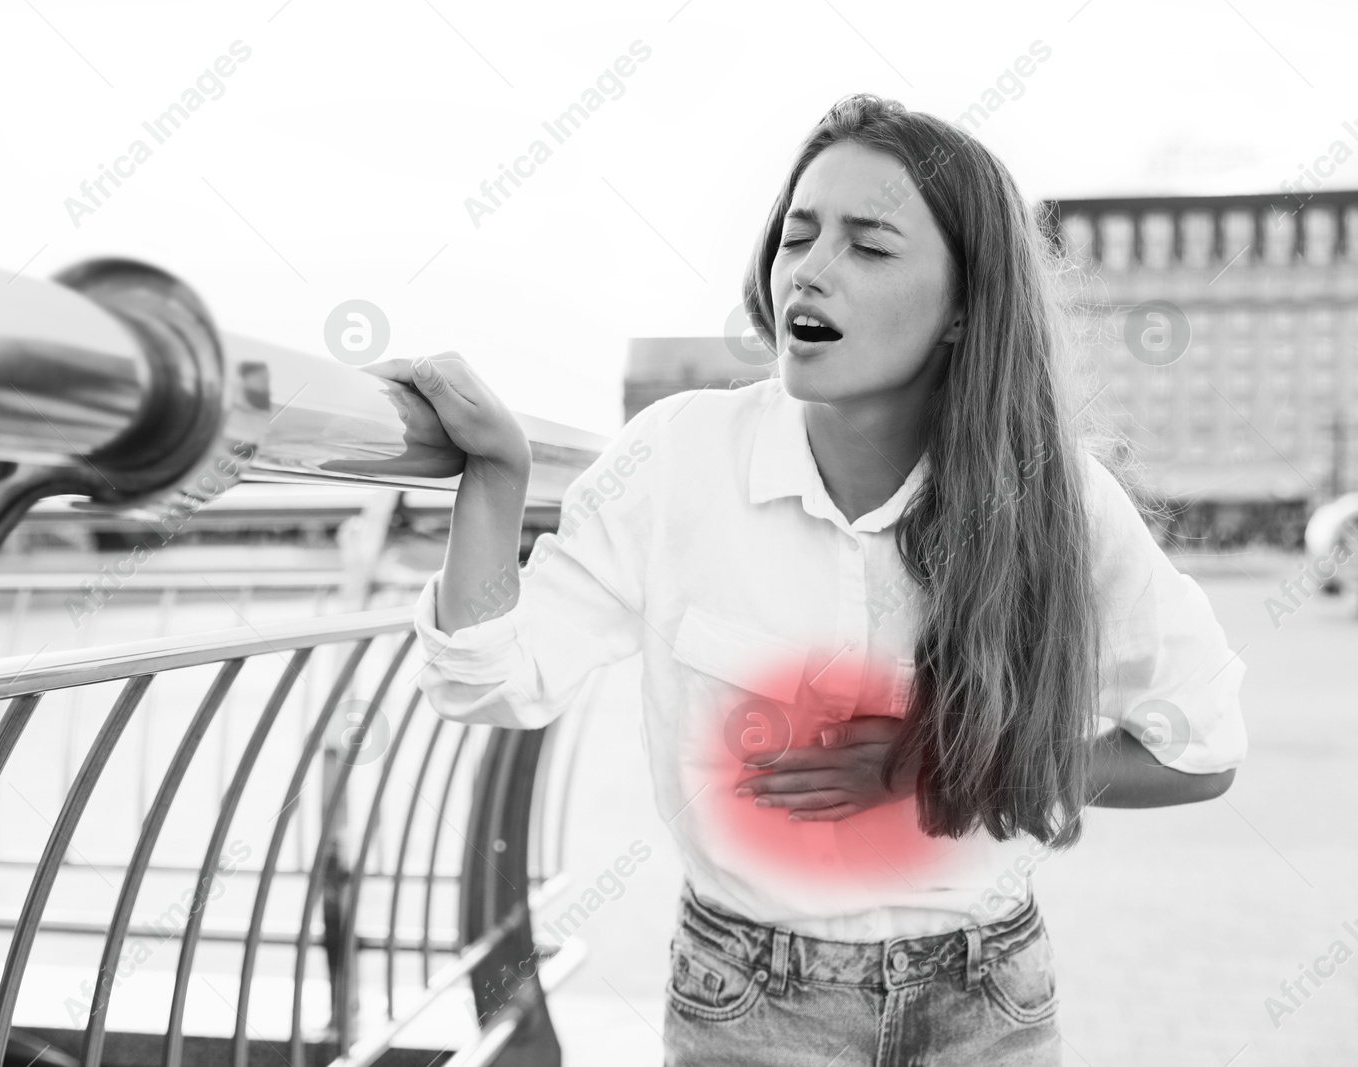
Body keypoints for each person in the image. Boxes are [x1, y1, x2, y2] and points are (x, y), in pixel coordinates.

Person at [362, 93, 1246, 1066]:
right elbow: (486, 681)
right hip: (745, 998)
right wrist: (495, 477)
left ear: (963, 307)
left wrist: (947, 762)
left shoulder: (1060, 500)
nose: (810, 271)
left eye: (869, 246)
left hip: (986, 998)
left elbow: (1199, 749)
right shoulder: (674, 456)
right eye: (798, 236)